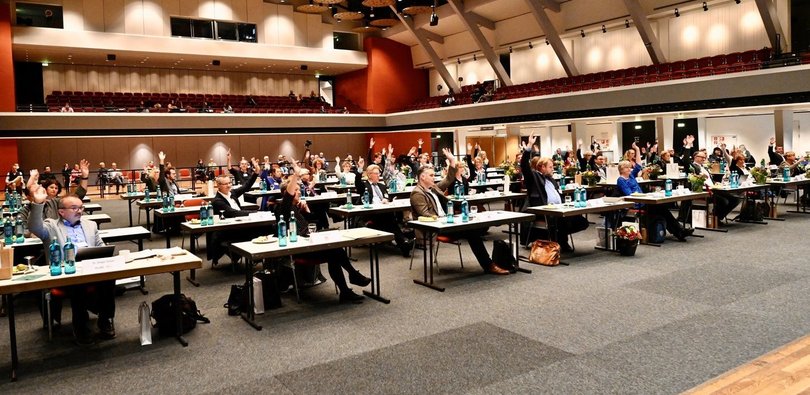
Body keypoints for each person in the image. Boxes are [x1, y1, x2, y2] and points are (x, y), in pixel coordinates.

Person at [27, 185, 115, 345]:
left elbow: (100, 246)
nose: (79, 211)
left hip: (91, 268)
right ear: (61, 212)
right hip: (66, 273)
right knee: (78, 284)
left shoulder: (90, 225)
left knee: (109, 278)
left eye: (81, 207)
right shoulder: (51, 226)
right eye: (74, 208)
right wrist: (38, 204)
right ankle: (80, 326)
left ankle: (105, 319)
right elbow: (34, 227)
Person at [276, 163, 371, 303]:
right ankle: (351, 279)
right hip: (298, 249)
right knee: (334, 252)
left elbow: (309, 226)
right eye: (295, 190)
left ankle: (347, 287)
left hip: (308, 242)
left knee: (335, 251)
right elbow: (289, 200)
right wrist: (296, 176)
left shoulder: (296, 208)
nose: (298, 192)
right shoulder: (282, 208)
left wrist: (306, 211)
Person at [410, 148, 509, 275]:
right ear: (422, 177)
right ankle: (489, 265)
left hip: (447, 222)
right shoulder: (417, 193)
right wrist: (448, 218)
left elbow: (448, 179)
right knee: (472, 232)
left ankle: (492, 261)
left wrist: (452, 161)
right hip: (434, 229)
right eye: (431, 175)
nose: (434, 177)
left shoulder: (433, 188)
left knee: (476, 227)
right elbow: (426, 215)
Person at [520, 134, 589, 250]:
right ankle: (560, 241)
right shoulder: (534, 178)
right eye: (551, 167)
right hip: (542, 212)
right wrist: (529, 147)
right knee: (562, 221)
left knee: (581, 221)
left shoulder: (552, 180)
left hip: (559, 209)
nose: (553, 169)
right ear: (542, 167)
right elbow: (524, 166)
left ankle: (559, 238)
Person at [617, 142, 693, 241]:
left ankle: (679, 231)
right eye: (626, 168)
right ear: (621, 170)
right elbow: (629, 194)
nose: (629, 169)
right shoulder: (621, 180)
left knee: (662, 208)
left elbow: (639, 166)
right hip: (636, 203)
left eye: (629, 167)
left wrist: (637, 150)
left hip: (642, 200)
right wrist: (643, 197)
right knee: (661, 208)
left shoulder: (631, 176)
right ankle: (679, 231)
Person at [207, 158, 260, 264]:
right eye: (225, 184)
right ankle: (254, 257)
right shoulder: (217, 201)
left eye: (229, 183)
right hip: (228, 230)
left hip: (240, 224)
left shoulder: (233, 193)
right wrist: (255, 214)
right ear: (218, 186)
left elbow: (246, 186)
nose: (228, 185)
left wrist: (256, 172)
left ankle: (259, 257)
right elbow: (233, 213)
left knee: (263, 228)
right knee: (255, 231)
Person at [355, 164, 414, 256]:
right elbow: (357, 183)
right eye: (376, 173)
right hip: (371, 213)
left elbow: (387, 197)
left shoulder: (382, 186)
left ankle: (403, 243)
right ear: (369, 175)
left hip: (384, 211)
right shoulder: (364, 186)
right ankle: (404, 241)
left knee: (390, 221)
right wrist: (359, 169)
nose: (379, 175)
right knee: (390, 223)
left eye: (379, 173)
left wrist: (387, 200)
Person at [21, 160, 89, 222]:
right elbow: (23, 231)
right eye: (36, 192)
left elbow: (78, 195)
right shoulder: (24, 211)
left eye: (40, 188)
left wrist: (85, 177)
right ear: (29, 198)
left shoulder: (55, 202)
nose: (41, 189)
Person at [688, 150, 740, 222]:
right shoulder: (692, 167)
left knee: (735, 199)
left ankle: (718, 217)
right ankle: (716, 218)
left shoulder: (704, 167)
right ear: (695, 157)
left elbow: (709, 179)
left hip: (714, 188)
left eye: (704, 157)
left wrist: (716, 183)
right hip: (704, 191)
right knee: (723, 201)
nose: (703, 159)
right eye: (701, 157)